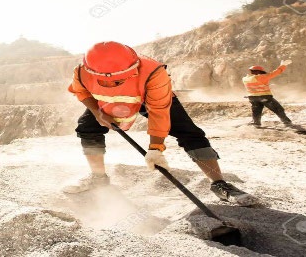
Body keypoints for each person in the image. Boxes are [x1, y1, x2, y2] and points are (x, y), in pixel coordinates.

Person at [63, 41, 256, 206]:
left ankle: (220, 184)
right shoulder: (82, 72)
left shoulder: (153, 72)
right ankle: (98, 178)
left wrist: (155, 148)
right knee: (87, 128)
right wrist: (97, 113)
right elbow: (82, 92)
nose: (116, 84)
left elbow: (159, 112)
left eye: (121, 79)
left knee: (189, 133)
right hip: (108, 102)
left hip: (149, 98)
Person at [242, 60, 293, 128]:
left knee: (256, 111)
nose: (262, 73)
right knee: (278, 109)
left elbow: (256, 85)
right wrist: (283, 65)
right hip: (264, 97)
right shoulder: (261, 77)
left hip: (253, 98)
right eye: (261, 72)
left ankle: (256, 123)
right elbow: (275, 73)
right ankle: (287, 122)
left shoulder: (245, 79)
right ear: (258, 72)